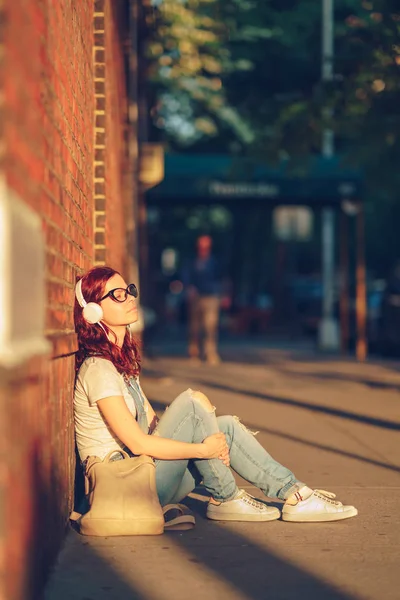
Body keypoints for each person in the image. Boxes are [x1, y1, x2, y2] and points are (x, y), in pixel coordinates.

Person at [73, 266, 358, 523]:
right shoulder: (99, 369)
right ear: (93, 311)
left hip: (147, 477)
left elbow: (153, 426)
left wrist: (208, 438)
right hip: (126, 489)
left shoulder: (122, 364)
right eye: (118, 295)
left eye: (129, 291)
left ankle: (296, 495)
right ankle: (225, 497)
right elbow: (136, 443)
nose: (130, 298)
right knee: (192, 404)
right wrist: (202, 449)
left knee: (226, 428)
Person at [182, 235, 225, 365]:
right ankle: (193, 352)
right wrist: (189, 288)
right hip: (196, 297)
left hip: (211, 297)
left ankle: (210, 352)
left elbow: (222, 278)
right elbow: (186, 277)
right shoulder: (192, 262)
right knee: (194, 326)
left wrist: (224, 294)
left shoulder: (216, 262)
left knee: (210, 326)